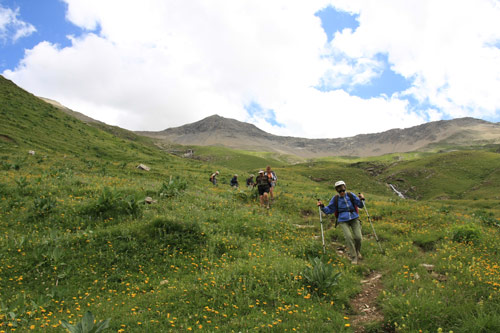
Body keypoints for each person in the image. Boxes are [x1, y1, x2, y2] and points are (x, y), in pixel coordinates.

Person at [317, 180, 365, 264]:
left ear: (345, 188)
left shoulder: (350, 195)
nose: (342, 192)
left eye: (343, 190)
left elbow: (360, 205)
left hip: (354, 218)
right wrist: (322, 206)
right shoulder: (335, 199)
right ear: (337, 190)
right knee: (348, 237)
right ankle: (354, 257)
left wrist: (362, 199)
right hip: (343, 220)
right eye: (339, 190)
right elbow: (329, 210)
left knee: (358, 237)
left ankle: (357, 252)